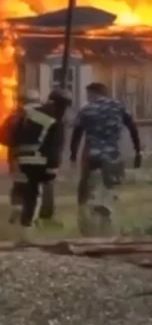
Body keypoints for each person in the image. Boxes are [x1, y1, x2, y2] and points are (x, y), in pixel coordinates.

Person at [70, 82, 142, 235]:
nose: (88, 98)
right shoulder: (119, 107)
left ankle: (86, 217)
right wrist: (138, 151)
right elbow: (132, 127)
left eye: (89, 94)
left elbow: (76, 134)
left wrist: (72, 155)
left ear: (93, 93)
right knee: (110, 187)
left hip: (92, 155)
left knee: (86, 188)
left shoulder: (86, 109)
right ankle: (107, 215)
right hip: (113, 155)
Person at [2, 89, 71, 242]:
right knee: (34, 194)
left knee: (21, 189)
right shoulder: (56, 118)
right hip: (39, 160)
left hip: (18, 160)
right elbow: (55, 146)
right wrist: (53, 167)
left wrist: (18, 151)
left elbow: (6, 137)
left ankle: (18, 212)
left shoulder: (22, 115)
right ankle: (26, 232)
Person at [4, 89, 57, 226]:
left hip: (16, 158)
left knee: (19, 186)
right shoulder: (43, 116)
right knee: (35, 190)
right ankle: (30, 220)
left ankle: (18, 209)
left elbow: (3, 137)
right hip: (38, 159)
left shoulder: (14, 117)